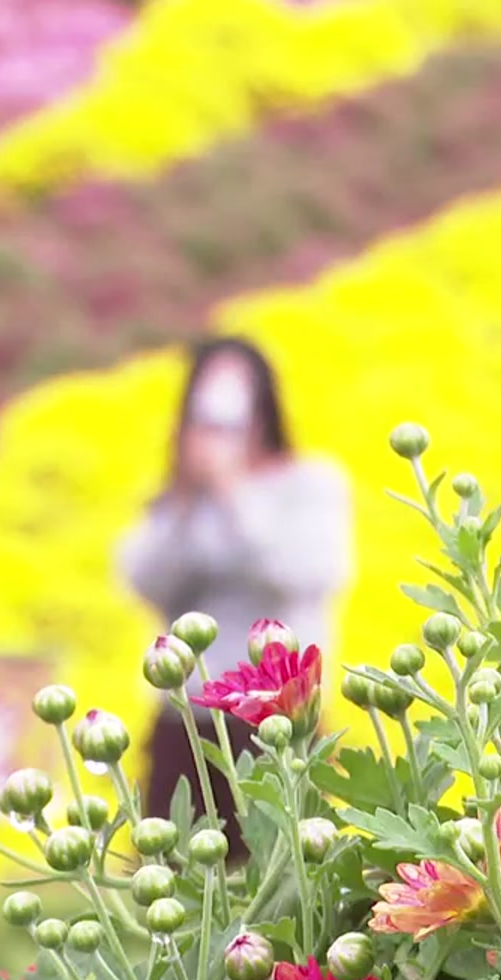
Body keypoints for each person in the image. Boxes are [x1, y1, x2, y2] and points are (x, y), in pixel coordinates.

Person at [115, 337, 351, 844]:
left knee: (282, 870)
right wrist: (184, 502)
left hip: (278, 712)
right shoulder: (179, 497)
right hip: (188, 713)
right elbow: (142, 580)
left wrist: (233, 494)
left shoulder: (307, 483)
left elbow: (309, 572)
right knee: (177, 865)